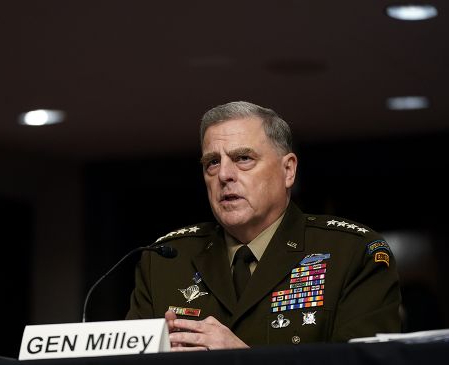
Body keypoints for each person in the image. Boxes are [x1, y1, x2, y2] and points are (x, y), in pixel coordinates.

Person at [126, 101, 401, 351]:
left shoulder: (351, 253)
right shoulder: (164, 261)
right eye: (212, 162)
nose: (224, 175)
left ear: (288, 170)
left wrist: (244, 362)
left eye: (243, 159)